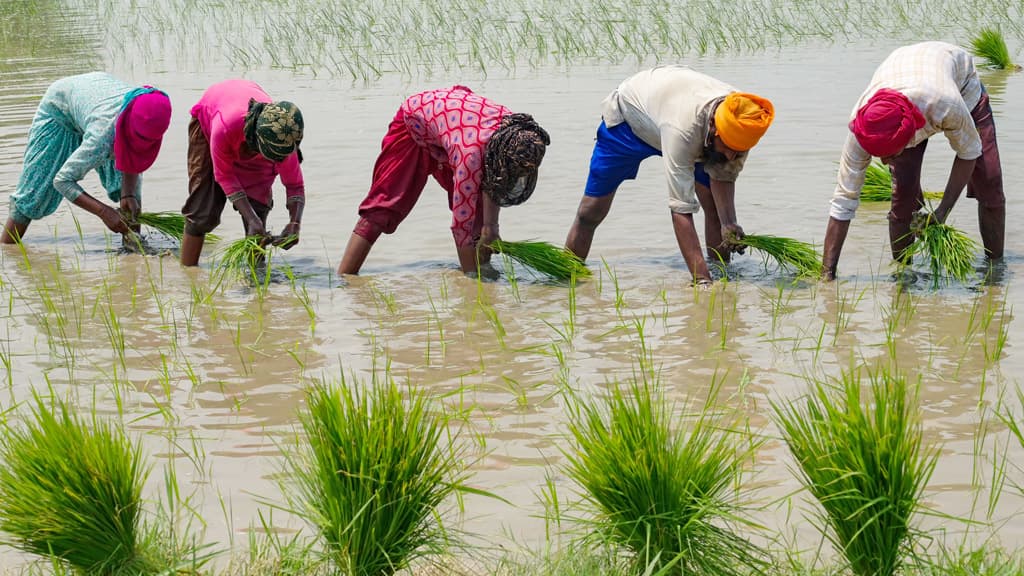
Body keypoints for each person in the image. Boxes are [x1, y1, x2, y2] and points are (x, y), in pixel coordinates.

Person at [564, 65, 774, 286]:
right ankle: (567, 276)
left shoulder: (743, 122)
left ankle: (722, 272)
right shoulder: (683, 130)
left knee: (713, 206)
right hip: (630, 123)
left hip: (682, 123)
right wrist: (701, 282)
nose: (732, 156)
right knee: (590, 212)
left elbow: (723, 177)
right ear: (714, 129)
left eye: (738, 151)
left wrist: (729, 223)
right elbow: (680, 210)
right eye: (729, 148)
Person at [822, 41, 1004, 280]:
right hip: (904, 71)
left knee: (989, 180)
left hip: (959, 83)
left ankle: (995, 272)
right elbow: (843, 201)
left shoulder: (946, 104)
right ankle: (904, 275)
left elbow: (969, 152)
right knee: (903, 196)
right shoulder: (863, 127)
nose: (885, 163)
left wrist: (942, 211)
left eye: (889, 155)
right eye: (880, 156)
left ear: (909, 136)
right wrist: (827, 275)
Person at [337, 85, 550, 275]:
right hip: (413, 124)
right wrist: (472, 285)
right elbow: (460, 226)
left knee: (479, 217)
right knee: (383, 208)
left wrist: (490, 227)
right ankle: (344, 280)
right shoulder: (471, 156)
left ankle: (485, 271)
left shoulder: (516, 132)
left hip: (454, 126)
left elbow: (495, 177)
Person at [2, 72, 172, 244]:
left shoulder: (151, 111)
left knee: (131, 193)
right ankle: (7, 249)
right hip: (60, 110)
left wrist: (128, 194)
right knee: (33, 194)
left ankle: (133, 247)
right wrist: (104, 213)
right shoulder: (103, 137)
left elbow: (133, 156)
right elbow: (62, 181)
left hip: (93, 100)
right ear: (125, 129)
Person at [180, 79, 305, 266]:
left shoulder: (283, 138)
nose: (278, 160)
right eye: (272, 156)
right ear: (256, 141)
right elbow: (224, 176)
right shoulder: (225, 127)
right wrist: (250, 217)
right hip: (210, 119)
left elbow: (295, 185)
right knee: (202, 212)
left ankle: (257, 281)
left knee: (258, 210)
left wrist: (295, 224)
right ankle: (188, 273)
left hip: (256, 138)